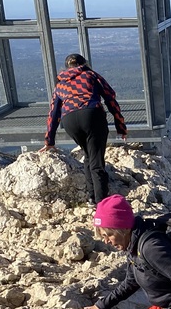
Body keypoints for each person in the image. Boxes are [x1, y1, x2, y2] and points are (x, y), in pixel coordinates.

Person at [43, 54, 128, 205]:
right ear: (84, 64)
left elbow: (54, 113)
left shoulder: (60, 84)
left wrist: (49, 140)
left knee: (89, 155)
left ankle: (92, 196)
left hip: (69, 120)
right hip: (91, 114)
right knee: (97, 161)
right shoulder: (91, 75)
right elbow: (110, 97)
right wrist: (120, 126)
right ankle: (101, 203)